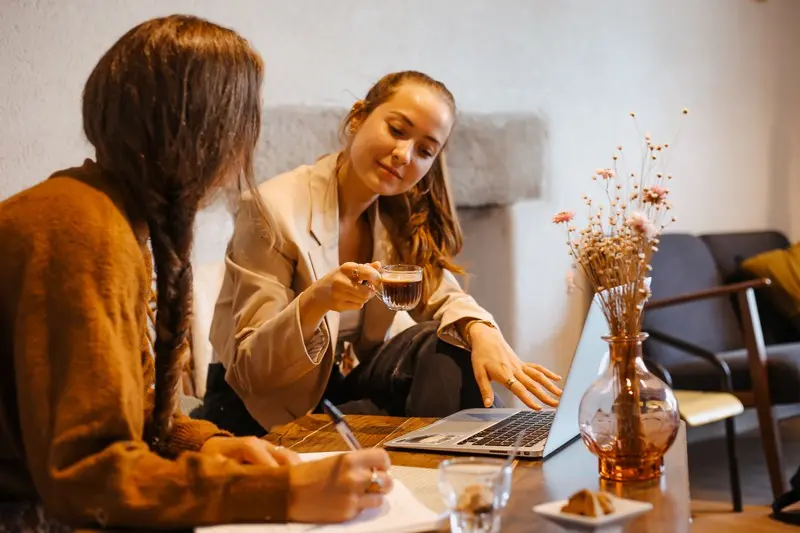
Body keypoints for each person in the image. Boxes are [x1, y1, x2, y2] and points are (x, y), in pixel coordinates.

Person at [0, 15, 391, 530]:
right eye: (244, 123)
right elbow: (85, 476)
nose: (243, 149)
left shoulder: (107, 216)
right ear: (202, 131)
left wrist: (213, 446)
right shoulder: (79, 229)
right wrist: (282, 492)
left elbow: (135, 417)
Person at [205, 70, 563, 436]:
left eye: (424, 151)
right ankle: (504, 452)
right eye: (396, 130)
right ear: (358, 117)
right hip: (254, 407)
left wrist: (480, 330)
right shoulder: (271, 209)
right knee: (444, 373)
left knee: (447, 348)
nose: (403, 155)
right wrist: (316, 301)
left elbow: (444, 295)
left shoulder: (396, 217)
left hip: (333, 392)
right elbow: (252, 370)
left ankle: (497, 452)